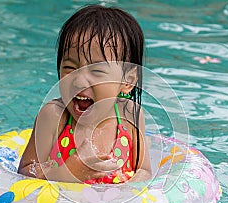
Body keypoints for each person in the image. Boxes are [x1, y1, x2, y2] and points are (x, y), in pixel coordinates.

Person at [18, 5, 151, 184]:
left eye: (96, 71)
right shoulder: (54, 117)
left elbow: (143, 170)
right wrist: (67, 173)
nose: (79, 81)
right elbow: (25, 173)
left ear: (127, 80)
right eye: (70, 68)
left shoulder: (130, 115)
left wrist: (128, 193)